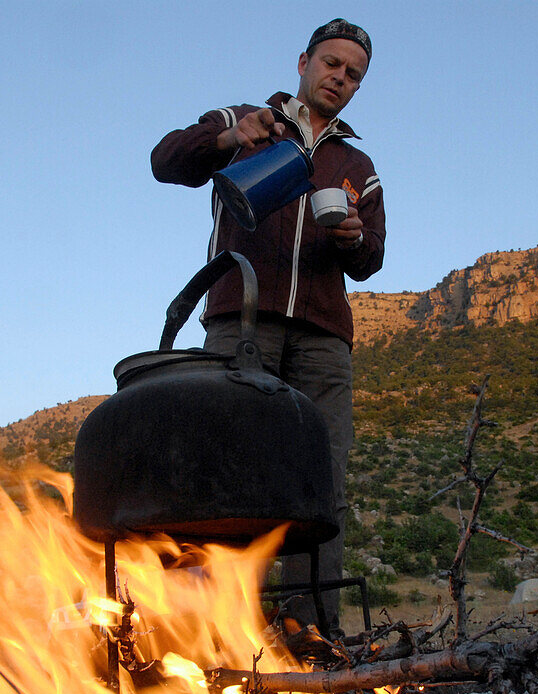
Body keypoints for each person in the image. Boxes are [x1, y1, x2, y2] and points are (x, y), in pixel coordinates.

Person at [151, 19, 385, 634]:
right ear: (304, 61)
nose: (340, 77)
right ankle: (220, 632)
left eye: (353, 73)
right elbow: (166, 161)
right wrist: (231, 134)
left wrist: (355, 238)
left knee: (323, 481)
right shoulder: (249, 120)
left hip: (324, 340)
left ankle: (313, 636)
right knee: (228, 476)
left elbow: (371, 259)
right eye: (332, 63)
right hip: (242, 321)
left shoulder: (357, 162)